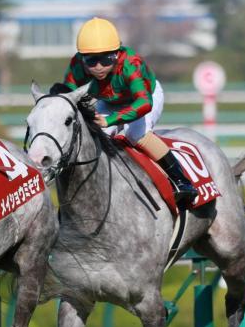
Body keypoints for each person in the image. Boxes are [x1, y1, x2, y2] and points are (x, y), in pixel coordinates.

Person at [54, 17, 197, 208]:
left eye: (106, 59)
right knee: (95, 136)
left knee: (135, 134)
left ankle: (181, 181)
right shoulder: (77, 65)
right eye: (91, 60)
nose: (98, 66)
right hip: (109, 101)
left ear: (117, 53)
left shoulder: (131, 63)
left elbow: (144, 103)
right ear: (82, 58)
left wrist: (111, 120)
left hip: (145, 97)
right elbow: (69, 98)